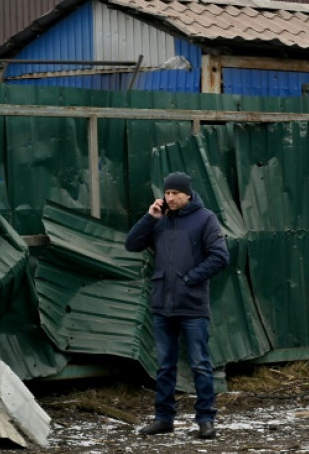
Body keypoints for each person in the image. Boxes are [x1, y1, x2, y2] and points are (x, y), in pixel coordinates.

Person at [125, 172, 229, 440]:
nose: (170, 198)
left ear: (187, 194)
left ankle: (206, 420)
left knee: (200, 365)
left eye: (175, 194)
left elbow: (220, 257)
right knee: (165, 366)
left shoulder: (206, 218)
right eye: (167, 193)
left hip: (193, 306)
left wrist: (190, 279)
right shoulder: (160, 220)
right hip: (162, 305)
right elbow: (131, 244)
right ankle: (164, 419)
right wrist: (150, 217)